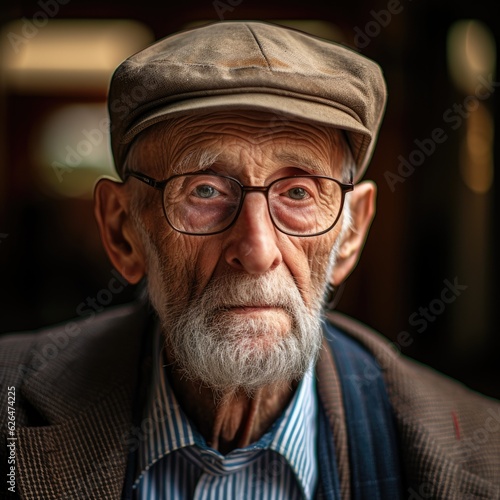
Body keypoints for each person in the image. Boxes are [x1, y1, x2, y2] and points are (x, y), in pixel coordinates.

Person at [1, 20, 499, 500]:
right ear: (124, 231)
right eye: (204, 189)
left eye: (300, 192)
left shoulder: (481, 453)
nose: (258, 250)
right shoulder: (10, 400)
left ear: (351, 235)